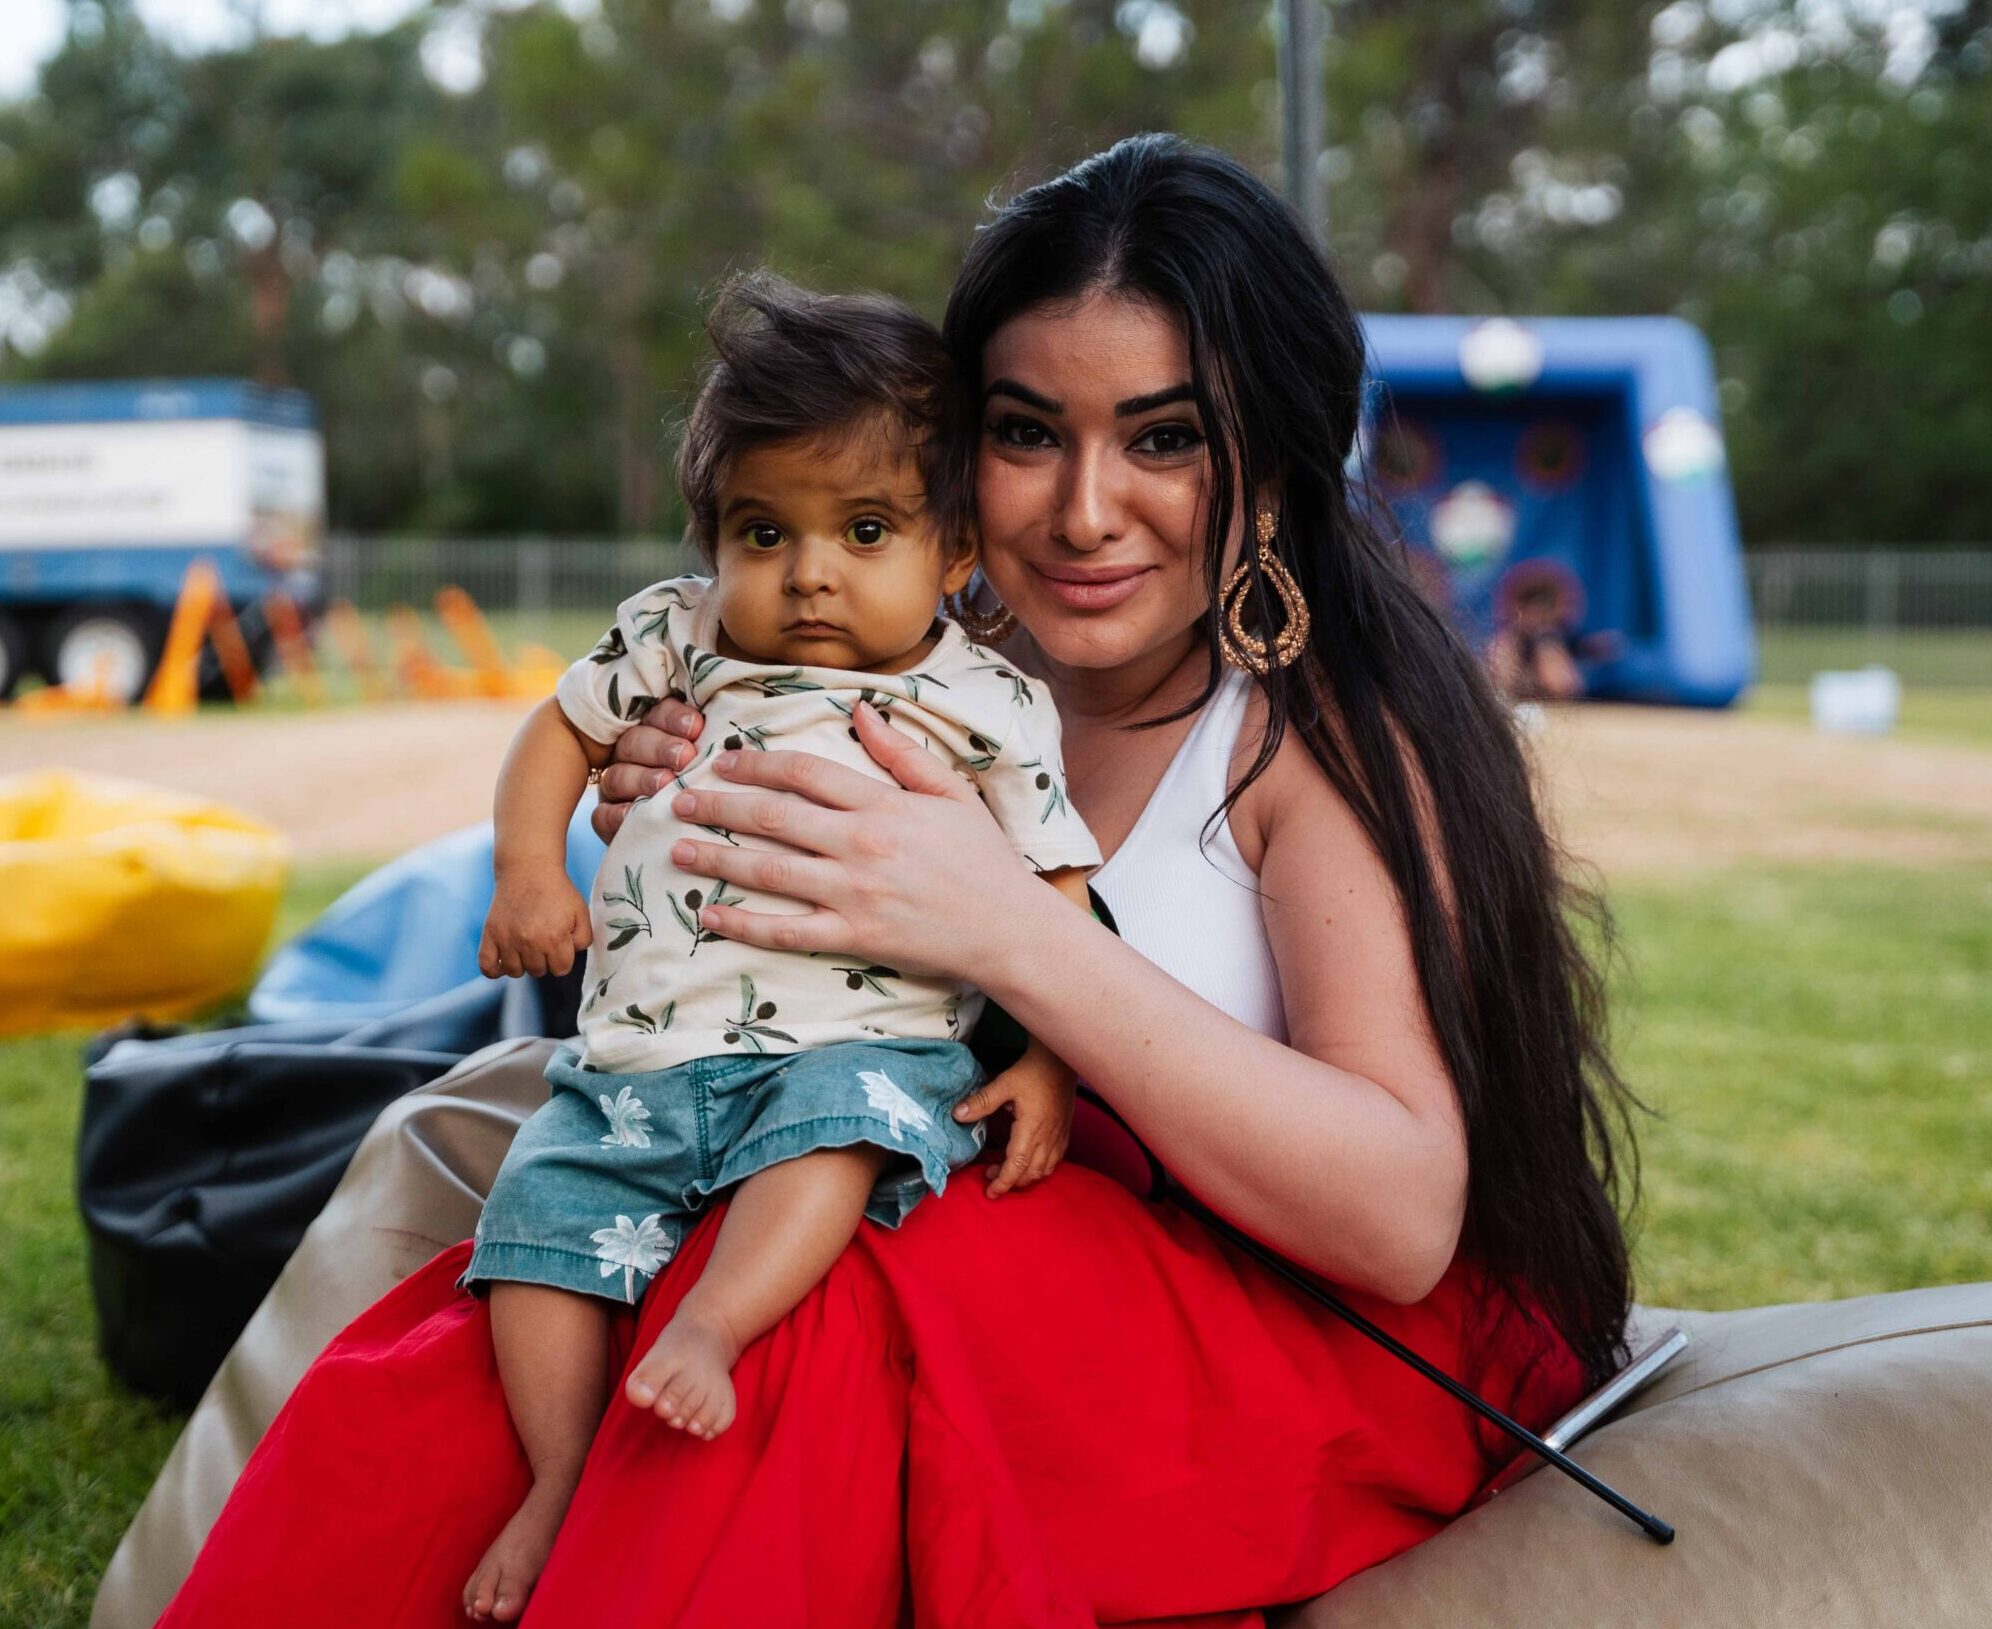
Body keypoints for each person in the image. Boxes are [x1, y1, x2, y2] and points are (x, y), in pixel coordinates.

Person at [147, 134, 1635, 1629]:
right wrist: (655, 796)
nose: (1085, 511)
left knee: (801, 1306)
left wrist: (1006, 927)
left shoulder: (1310, 739)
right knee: (526, 1323)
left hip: (1274, 1322)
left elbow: (1399, 1220)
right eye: (1028, 432)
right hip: (883, 1199)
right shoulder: (908, 656)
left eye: (1168, 439)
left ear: (1280, 460)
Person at [461, 275, 1098, 1616]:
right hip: (638, 1057)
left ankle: (715, 1323)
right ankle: (559, 1480)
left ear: (956, 552)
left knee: (831, 1135)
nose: (810, 571)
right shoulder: (679, 632)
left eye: (865, 529)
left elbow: (1058, 894)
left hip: (853, 1044)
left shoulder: (986, 700)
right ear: (714, 543)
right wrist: (529, 870)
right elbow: (559, 731)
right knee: (535, 1218)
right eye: (765, 531)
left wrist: (1050, 1062)